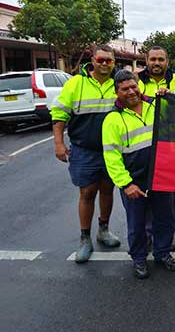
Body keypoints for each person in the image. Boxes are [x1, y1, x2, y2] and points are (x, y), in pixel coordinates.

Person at [102, 70, 175, 279]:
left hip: (161, 176)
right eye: (125, 89)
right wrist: (126, 184)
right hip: (134, 181)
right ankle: (139, 258)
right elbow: (112, 157)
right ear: (116, 91)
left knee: (165, 218)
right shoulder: (112, 119)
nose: (131, 92)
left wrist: (171, 99)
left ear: (139, 85)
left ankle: (162, 253)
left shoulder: (156, 105)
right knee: (136, 224)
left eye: (133, 86)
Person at [51, 44, 121, 263]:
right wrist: (59, 143)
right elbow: (59, 113)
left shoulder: (118, 84)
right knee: (87, 193)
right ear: (92, 59)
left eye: (108, 61)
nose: (104, 64)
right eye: (100, 60)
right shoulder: (76, 83)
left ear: (113, 62)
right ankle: (85, 239)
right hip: (84, 150)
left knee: (108, 190)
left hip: (111, 150)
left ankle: (104, 230)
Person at [136, 45, 175, 249]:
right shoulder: (136, 81)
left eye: (161, 59)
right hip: (143, 150)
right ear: (146, 60)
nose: (156, 63)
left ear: (168, 61)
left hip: (173, 150)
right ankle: (147, 237)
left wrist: (172, 99)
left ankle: (165, 240)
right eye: (153, 59)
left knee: (170, 200)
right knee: (145, 197)